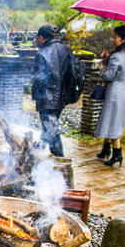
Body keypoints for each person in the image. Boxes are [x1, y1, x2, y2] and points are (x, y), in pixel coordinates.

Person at [95, 25, 125, 167]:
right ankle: (106, 149)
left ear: (123, 39)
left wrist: (103, 66)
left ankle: (117, 154)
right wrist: (108, 59)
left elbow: (108, 76)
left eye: (115, 37)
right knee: (113, 120)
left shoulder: (117, 56)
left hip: (115, 92)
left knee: (112, 122)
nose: (112, 39)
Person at [30, 24, 72, 157]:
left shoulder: (42, 54)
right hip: (61, 96)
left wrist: (35, 92)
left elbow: (40, 80)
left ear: (41, 37)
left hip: (47, 99)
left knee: (52, 130)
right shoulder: (64, 49)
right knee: (50, 125)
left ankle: (60, 160)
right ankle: (40, 148)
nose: (36, 40)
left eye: (37, 38)